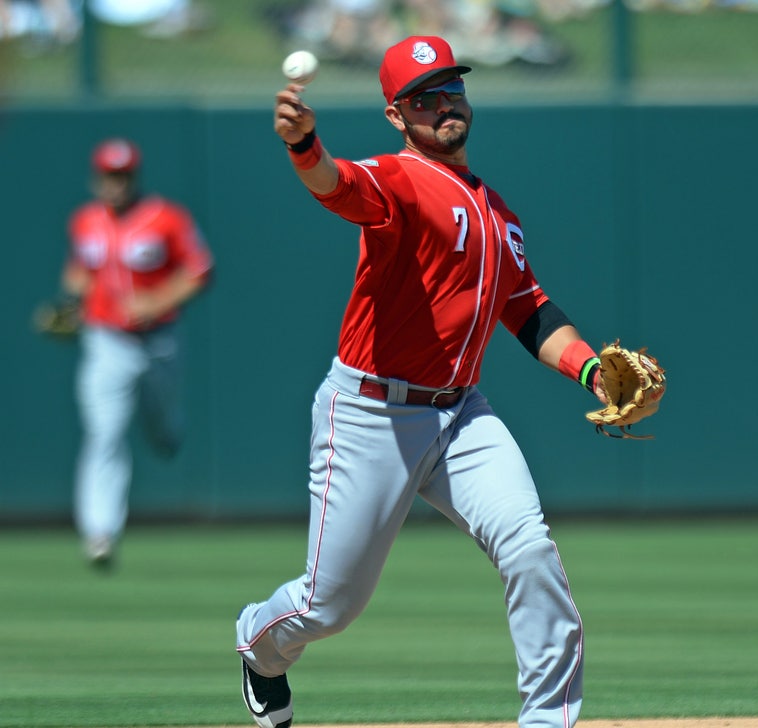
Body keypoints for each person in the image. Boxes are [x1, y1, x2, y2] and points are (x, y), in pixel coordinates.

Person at [235, 35, 602, 728]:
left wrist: (589, 368)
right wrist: (304, 146)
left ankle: (548, 719)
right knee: (329, 605)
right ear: (398, 117)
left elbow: (526, 310)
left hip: (462, 415)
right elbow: (339, 188)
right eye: (424, 98)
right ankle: (259, 645)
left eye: (451, 90)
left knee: (528, 545)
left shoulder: (499, 214)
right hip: (372, 413)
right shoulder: (398, 179)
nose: (444, 105)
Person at [62, 137, 214, 570]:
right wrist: (73, 300)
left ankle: (168, 430)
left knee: (161, 424)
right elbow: (79, 270)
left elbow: (201, 269)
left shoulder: (166, 217)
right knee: (104, 433)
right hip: (106, 340)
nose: (117, 184)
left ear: (135, 176)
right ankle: (100, 533)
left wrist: (159, 300)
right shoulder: (85, 221)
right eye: (110, 175)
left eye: (124, 175)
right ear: (97, 177)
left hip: (160, 340)